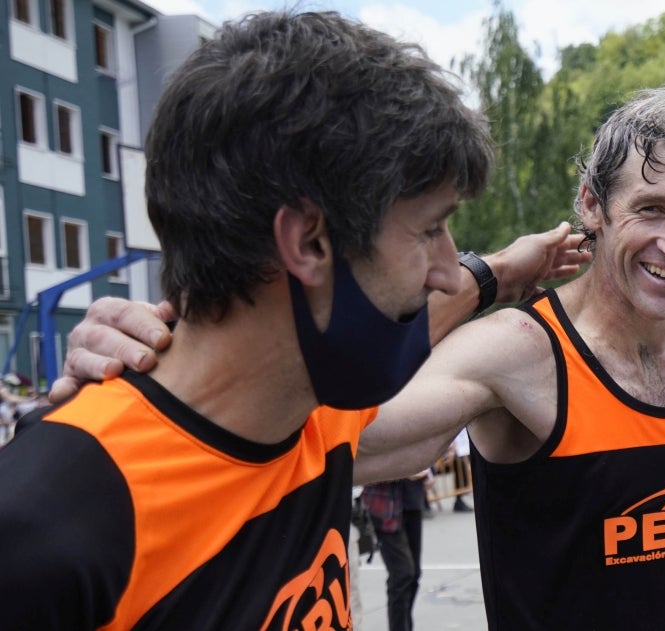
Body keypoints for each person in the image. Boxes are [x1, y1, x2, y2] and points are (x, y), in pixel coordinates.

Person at [56, 85, 665, 630]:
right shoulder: (518, 352)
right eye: (651, 209)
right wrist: (150, 375)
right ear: (592, 203)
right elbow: (309, 432)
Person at [0, 11, 585, 630]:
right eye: (431, 228)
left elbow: (415, 314)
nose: (445, 268)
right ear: (307, 242)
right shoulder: (51, 526)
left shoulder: (312, 415)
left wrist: (500, 271)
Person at [362, 471, 430, 631]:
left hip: (411, 499)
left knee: (413, 575)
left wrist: (430, 472)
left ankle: (405, 627)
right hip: (385, 504)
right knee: (402, 574)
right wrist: (404, 470)